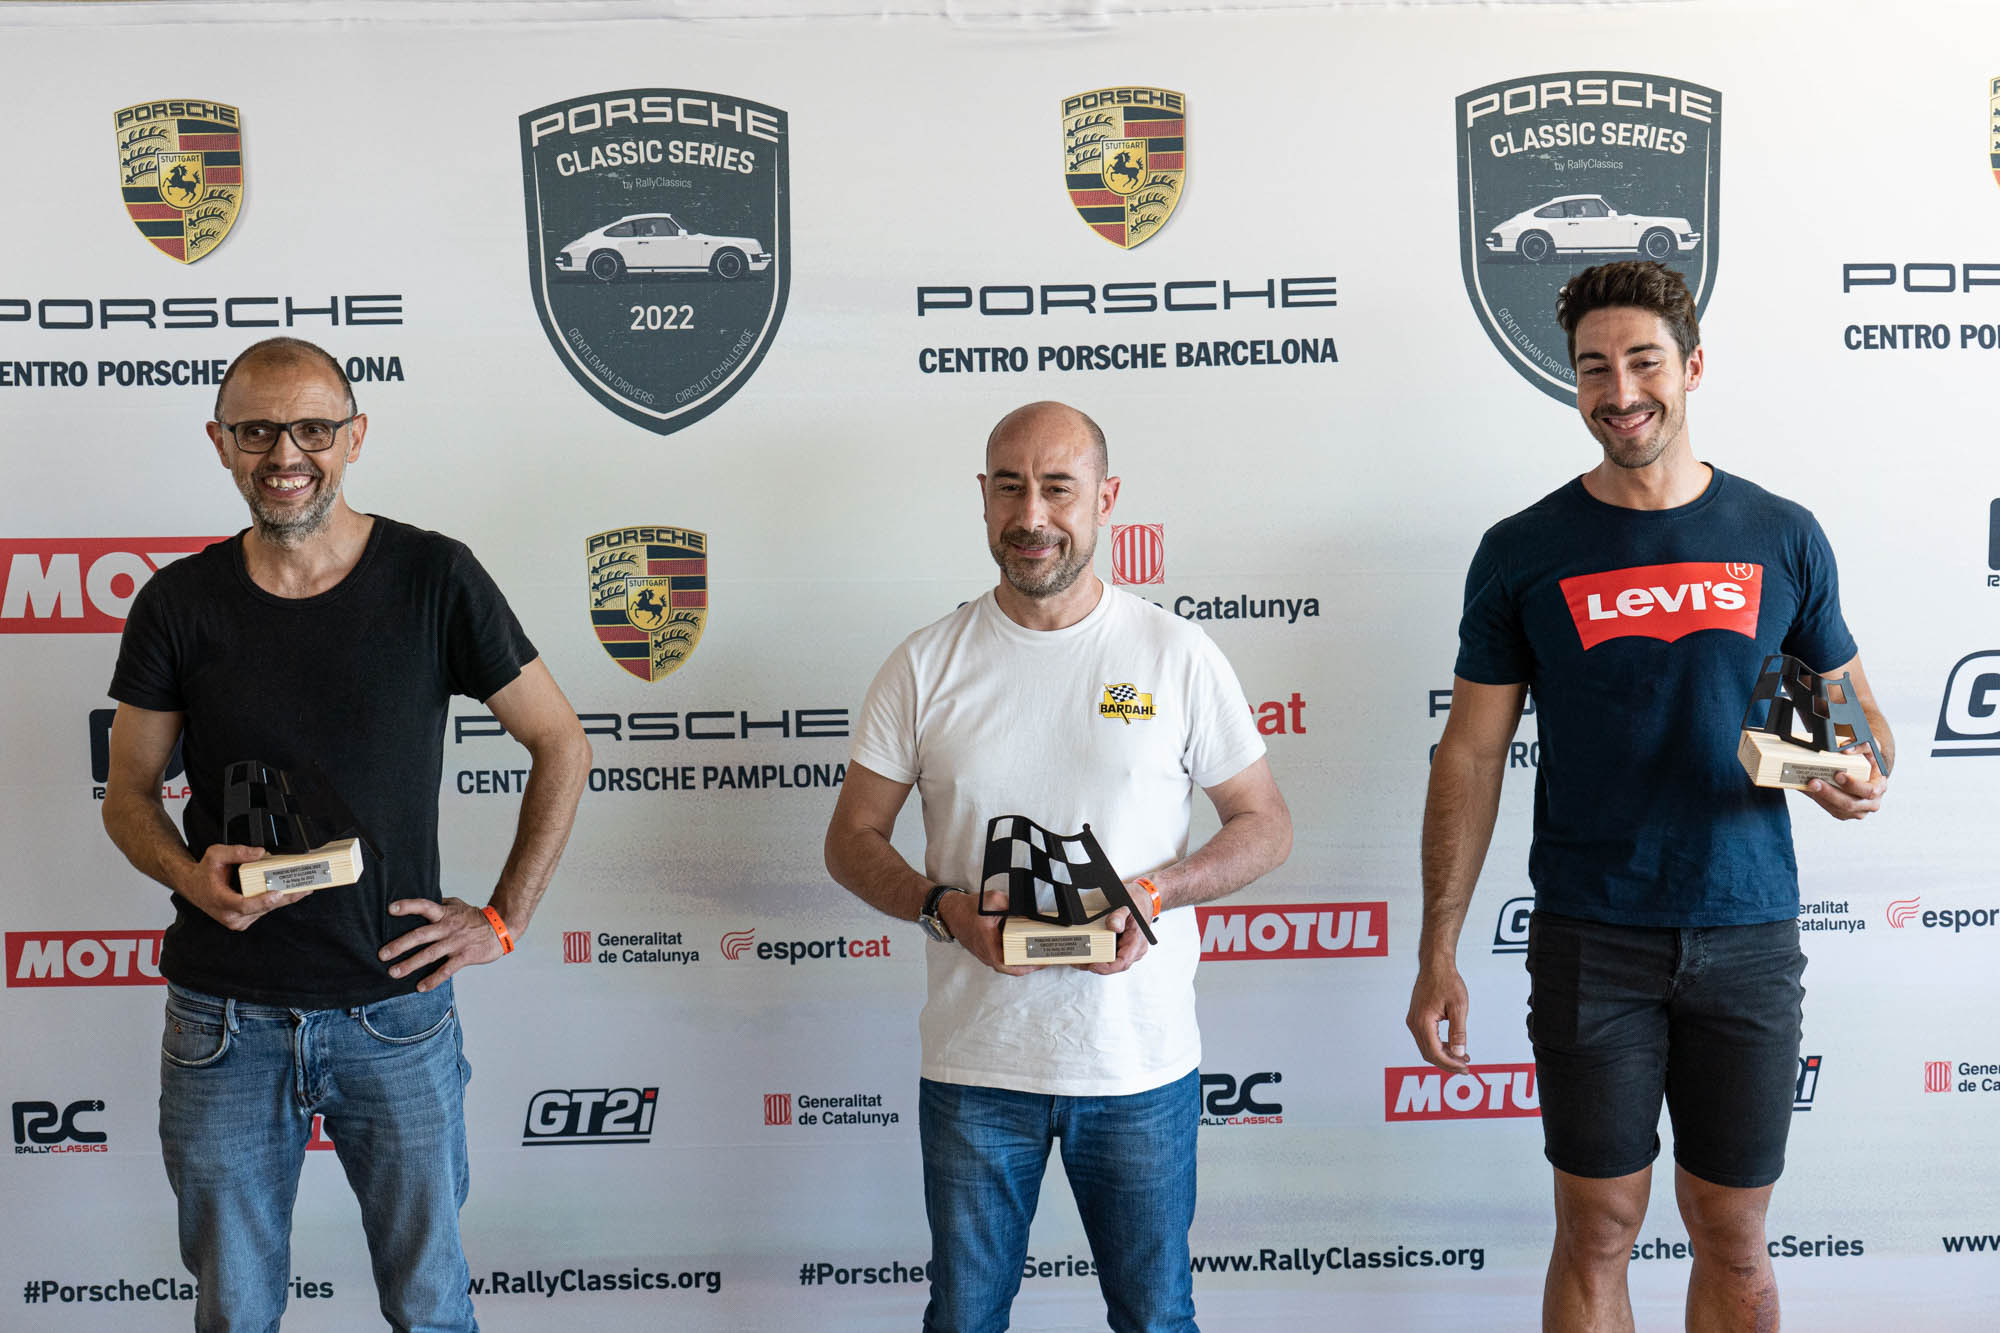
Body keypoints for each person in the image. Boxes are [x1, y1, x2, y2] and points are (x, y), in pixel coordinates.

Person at [1405, 261, 1891, 1332]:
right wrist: (1438, 944)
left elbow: (1864, 731)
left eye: (1642, 362)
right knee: (1596, 1229)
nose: (1618, 391)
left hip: (1747, 931)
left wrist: (1843, 773)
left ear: (1692, 367)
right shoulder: (1522, 551)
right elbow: (1470, 756)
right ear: (1572, 382)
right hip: (1592, 937)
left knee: (1734, 1236)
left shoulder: (1780, 533)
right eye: (1593, 368)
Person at [100, 336, 591, 1332]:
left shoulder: (435, 577)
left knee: (430, 1305)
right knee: (234, 1312)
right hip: (224, 1021)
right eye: (256, 431)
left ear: (354, 437)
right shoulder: (178, 602)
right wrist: (190, 877)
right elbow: (129, 794)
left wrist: (502, 918)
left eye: (313, 429)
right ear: (220, 443)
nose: (286, 454)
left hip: (396, 1012)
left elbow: (561, 743)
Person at [823, 401, 1292, 1333]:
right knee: (964, 1320)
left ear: (1106, 500)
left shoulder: (1175, 654)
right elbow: (851, 839)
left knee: (1156, 1319)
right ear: (984, 497)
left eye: (1058, 488)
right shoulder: (925, 664)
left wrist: (1155, 892)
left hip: (1137, 1066)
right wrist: (942, 906)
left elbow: (1265, 822)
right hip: (976, 1065)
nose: (1031, 515)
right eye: (1010, 488)